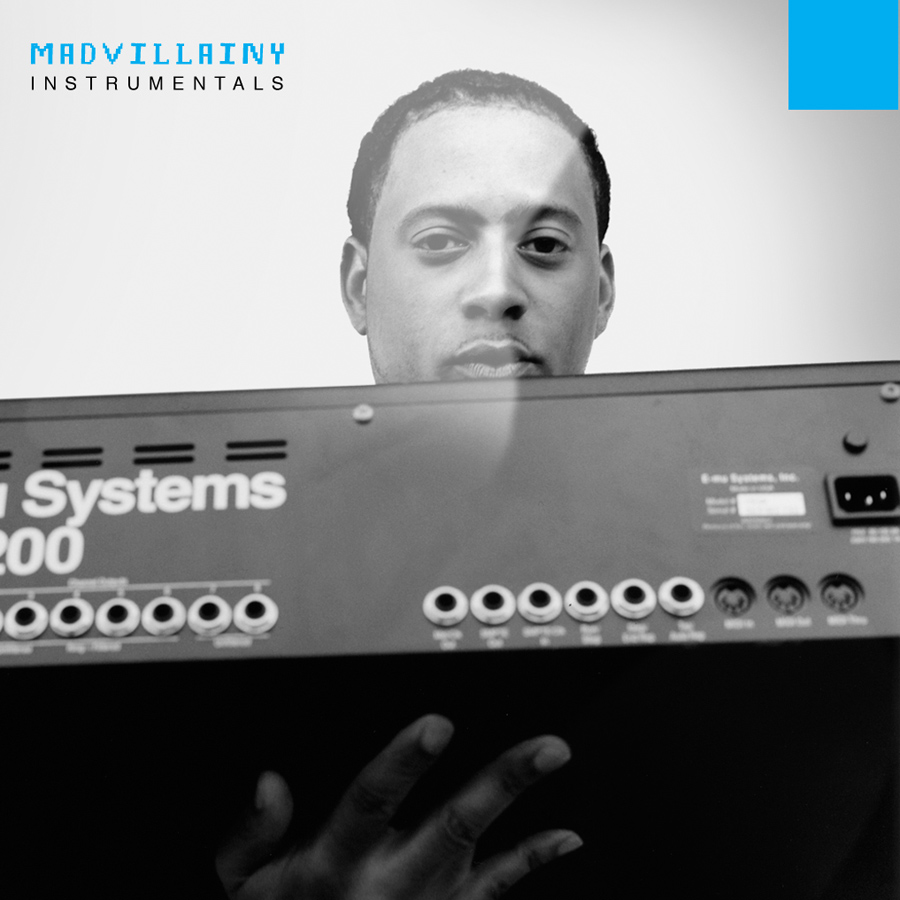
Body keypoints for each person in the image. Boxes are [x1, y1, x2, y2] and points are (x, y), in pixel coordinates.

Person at [215, 69, 615, 900]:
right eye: (440, 242)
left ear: (602, 290)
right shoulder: (222, 565)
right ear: (359, 287)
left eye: (544, 245)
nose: (498, 290)